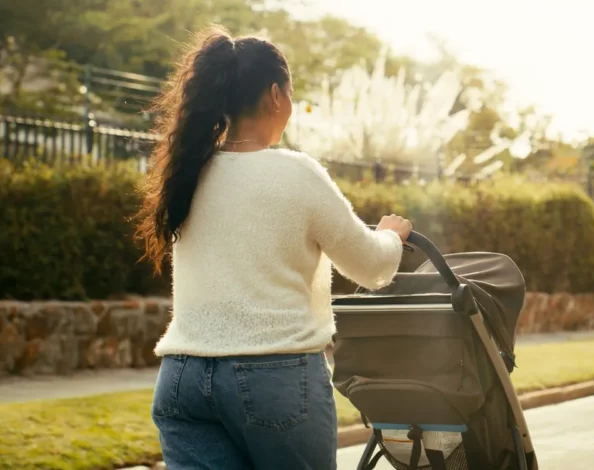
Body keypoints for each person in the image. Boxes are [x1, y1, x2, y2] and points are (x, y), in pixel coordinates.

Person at [135, 26, 412, 470]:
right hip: (273, 378)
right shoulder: (296, 173)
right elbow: (371, 266)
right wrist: (390, 236)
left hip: (181, 379)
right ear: (275, 96)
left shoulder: (187, 173)